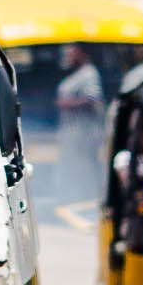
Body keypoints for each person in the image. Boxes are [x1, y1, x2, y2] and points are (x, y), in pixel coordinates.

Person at [54, 45, 106, 203]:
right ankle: (75, 199)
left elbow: (92, 99)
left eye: (72, 51)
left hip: (84, 132)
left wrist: (67, 103)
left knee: (84, 168)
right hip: (71, 132)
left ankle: (88, 199)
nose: (68, 55)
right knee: (72, 168)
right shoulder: (76, 74)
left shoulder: (89, 73)